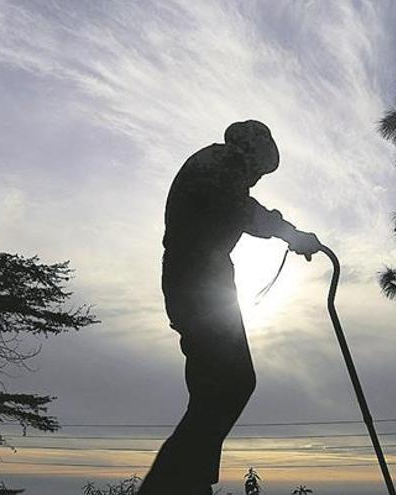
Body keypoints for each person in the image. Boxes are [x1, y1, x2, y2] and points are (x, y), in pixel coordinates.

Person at [138, 120, 322, 494]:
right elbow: (244, 210)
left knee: (214, 387)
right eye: (258, 171)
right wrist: (292, 234)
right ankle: (174, 482)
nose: (255, 179)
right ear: (251, 154)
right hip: (198, 280)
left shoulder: (215, 163)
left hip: (201, 278)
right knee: (233, 382)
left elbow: (241, 208)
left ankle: (188, 482)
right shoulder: (220, 164)